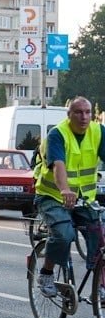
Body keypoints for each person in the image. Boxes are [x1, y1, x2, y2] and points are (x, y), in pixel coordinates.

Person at [35, 96, 105, 297]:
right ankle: (47, 273)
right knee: (64, 235)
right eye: (78, 112)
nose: (84, 117)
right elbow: (59, 165)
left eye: (87, 112)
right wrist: (65, 189)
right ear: (69, 115)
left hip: (85, 200)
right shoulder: (58, 134)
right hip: (53, 196)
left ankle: (100, 286)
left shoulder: (98, 132)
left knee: (100, 240)